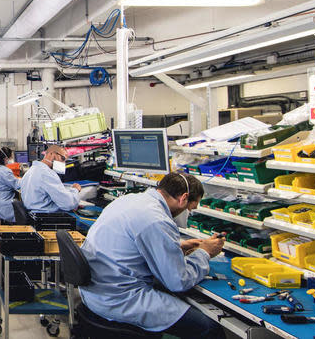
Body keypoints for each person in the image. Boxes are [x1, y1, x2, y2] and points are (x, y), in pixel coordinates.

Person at [77, 172, 226, 339]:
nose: (188, 213)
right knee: (209, 328)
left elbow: (133, 242)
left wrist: (175, 246)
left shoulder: (129, 200)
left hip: (95, 292)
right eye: (191, 208)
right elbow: (178, 281)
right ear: (184, 198)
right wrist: (205, 252)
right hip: (120, 299)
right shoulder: (157, 220)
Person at [19, 145, 82, 213]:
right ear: (52, 154)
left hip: (33, 215)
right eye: (63, 159)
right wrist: (75, 190)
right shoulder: (47, 174)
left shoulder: (31, 170)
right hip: (46, 218)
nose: (63, 163)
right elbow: (69, 204)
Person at [0, 147, 20, 224]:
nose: (11, 160)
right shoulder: (4, 171)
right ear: (6, 158)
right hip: (2, 203)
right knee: (22, 212)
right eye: (10, 158)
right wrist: (26, 179)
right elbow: (17, 185)